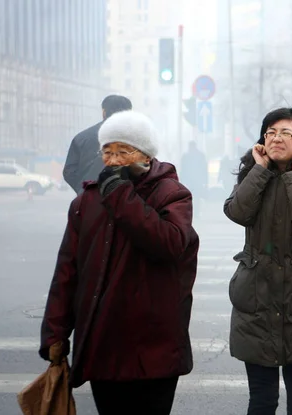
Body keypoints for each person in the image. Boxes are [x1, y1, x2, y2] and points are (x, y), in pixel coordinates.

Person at [40, 110, 199, 415]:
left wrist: (120, 195)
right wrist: (55, 332)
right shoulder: (86, 201)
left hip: (154, 346)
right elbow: (68, 272)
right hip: (104, 344)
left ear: (146, 155)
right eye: (107, 152)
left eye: (123, 152)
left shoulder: (172, 194)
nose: (112, 161)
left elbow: (169, 244)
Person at [223, 107, 292, 415]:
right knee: (261, 396)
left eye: (286, 133)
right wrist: (259, 170)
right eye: (270, 133)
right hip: (257, 297)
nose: (276, 138)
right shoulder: (253, 173)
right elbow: (237, 212)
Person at [63, 95, 132, 194]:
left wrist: (83, 189)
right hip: (126, 201)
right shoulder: (137, 139)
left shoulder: (82, 138)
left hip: (89, 200)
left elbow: (69, 172)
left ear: (104, 112)